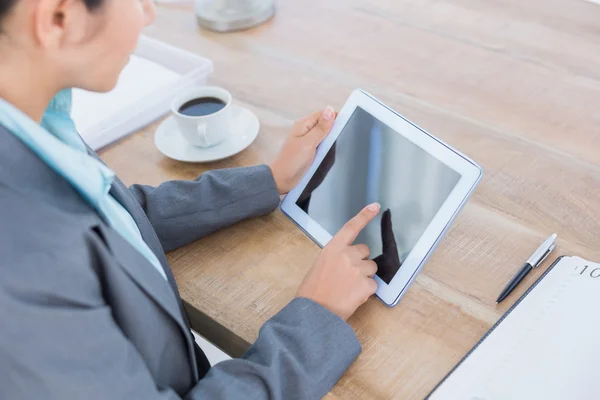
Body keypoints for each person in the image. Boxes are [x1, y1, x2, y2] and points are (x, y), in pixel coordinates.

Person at [0, 0, 382, 399]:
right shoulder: (21, 266)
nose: (149, 13)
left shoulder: (32, 120)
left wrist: (268, 180)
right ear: (59, 18)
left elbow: (115, 216)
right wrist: (314, 320)